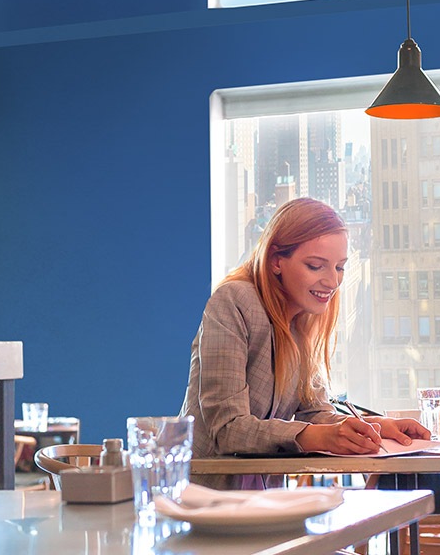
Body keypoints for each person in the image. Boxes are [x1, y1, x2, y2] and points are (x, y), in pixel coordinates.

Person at [180, 196, 426, 487]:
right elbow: (228, 430)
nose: (332, 282)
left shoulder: (305, 318)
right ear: (276, 261)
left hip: (263, 501)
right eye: (315, 266)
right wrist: (318, 436)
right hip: (205, 496)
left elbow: (315, 412)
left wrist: (374, 427)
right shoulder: (235, 301)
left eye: (339, 267)